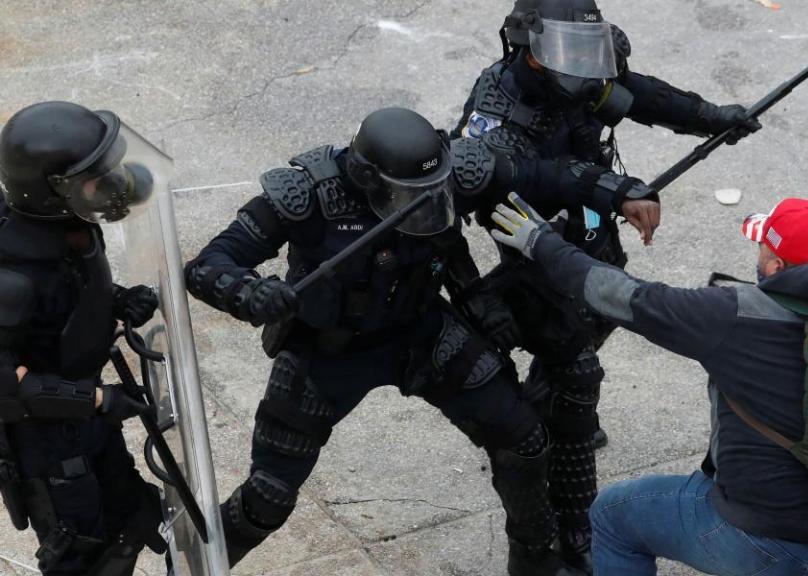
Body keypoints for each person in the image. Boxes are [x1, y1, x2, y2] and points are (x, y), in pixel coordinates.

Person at [183, 107, 651, 576]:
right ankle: (194, 566)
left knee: (522, 437)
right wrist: (250, 292)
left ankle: (536, 561)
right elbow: (208, 264)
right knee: (268, 497)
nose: (428, 204)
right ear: (366, 177)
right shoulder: (306, 194)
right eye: (410, 195)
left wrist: (620, 192)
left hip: (423, 332)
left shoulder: (452, 172)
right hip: (328, 353)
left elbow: (544, 175)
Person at [452, 0, 762, 570]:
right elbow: (535, 177)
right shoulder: (495, 110)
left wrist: (712, 116)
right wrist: (615, 189)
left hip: (591, 231)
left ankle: (546, 401)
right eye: (567, 57)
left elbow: (641, 94)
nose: (585, 74)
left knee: (596, 321)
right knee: (577, 376)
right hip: (534, 243)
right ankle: (576, 534)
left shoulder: (582, 72)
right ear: (528, 48)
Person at [489, 194, 808, 576]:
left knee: (612, 516)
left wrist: (541, 243)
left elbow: (620, 294)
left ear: (774, 267)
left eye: (761, 249)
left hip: (761, 537)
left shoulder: (732, 315)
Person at [0, 101, 169, 576]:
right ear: (52, 191)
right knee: (80, 551)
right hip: (50, 441)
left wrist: (114, 298)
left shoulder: (65, 231)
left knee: (133, 517)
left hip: (90, 420)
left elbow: (62, 297)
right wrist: (95, 399)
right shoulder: (12, 277)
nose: (112, 182)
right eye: (94, 177)